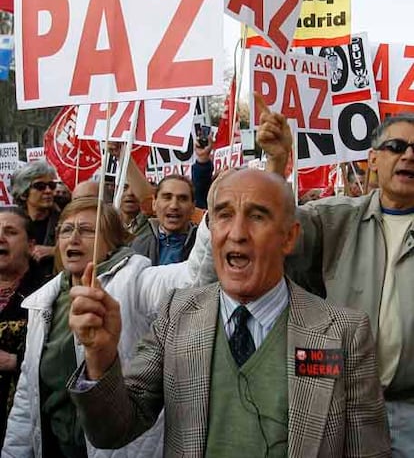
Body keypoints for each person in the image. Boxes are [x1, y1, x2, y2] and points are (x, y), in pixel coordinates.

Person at [67, 170, 390, 457]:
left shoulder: (342, 333)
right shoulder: (176, 314)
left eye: (257, 216)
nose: (236, 233)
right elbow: (112, 431)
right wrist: (101, 359)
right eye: (223, 215)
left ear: (289, 237)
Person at [256, 99, 414, 456]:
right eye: (396, 146)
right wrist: (278, 163)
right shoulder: (334, 219)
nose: (408, 156)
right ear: (372, 160)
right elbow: (274, 229)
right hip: (338, 401)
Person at [2, 197, 214, 458]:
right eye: (66, 230)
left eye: (87, 230)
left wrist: (216, 213)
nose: (74, 238)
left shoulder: (138, 282)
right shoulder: (43, 302)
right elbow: (28, 397)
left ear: (113, 241)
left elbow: (196, 279)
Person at [0, 207, 52, 447]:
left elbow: (61, 356)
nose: (0, 237)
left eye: (10, 232)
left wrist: (13, 360)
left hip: (23, 424)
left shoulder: (48, 292)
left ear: (31, 246)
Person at [132, 174, 197, 264]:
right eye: (167, 197)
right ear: (154, 203)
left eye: (182, 199)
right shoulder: (137, 245)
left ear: (193, 207)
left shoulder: (204, 246)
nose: (174, 205)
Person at [11, 161, 59, 271]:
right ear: (23, 193)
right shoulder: (11, 222)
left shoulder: (65, 219)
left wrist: (53, 251)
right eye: (40, 186)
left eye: (52, 186)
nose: (48, 191)